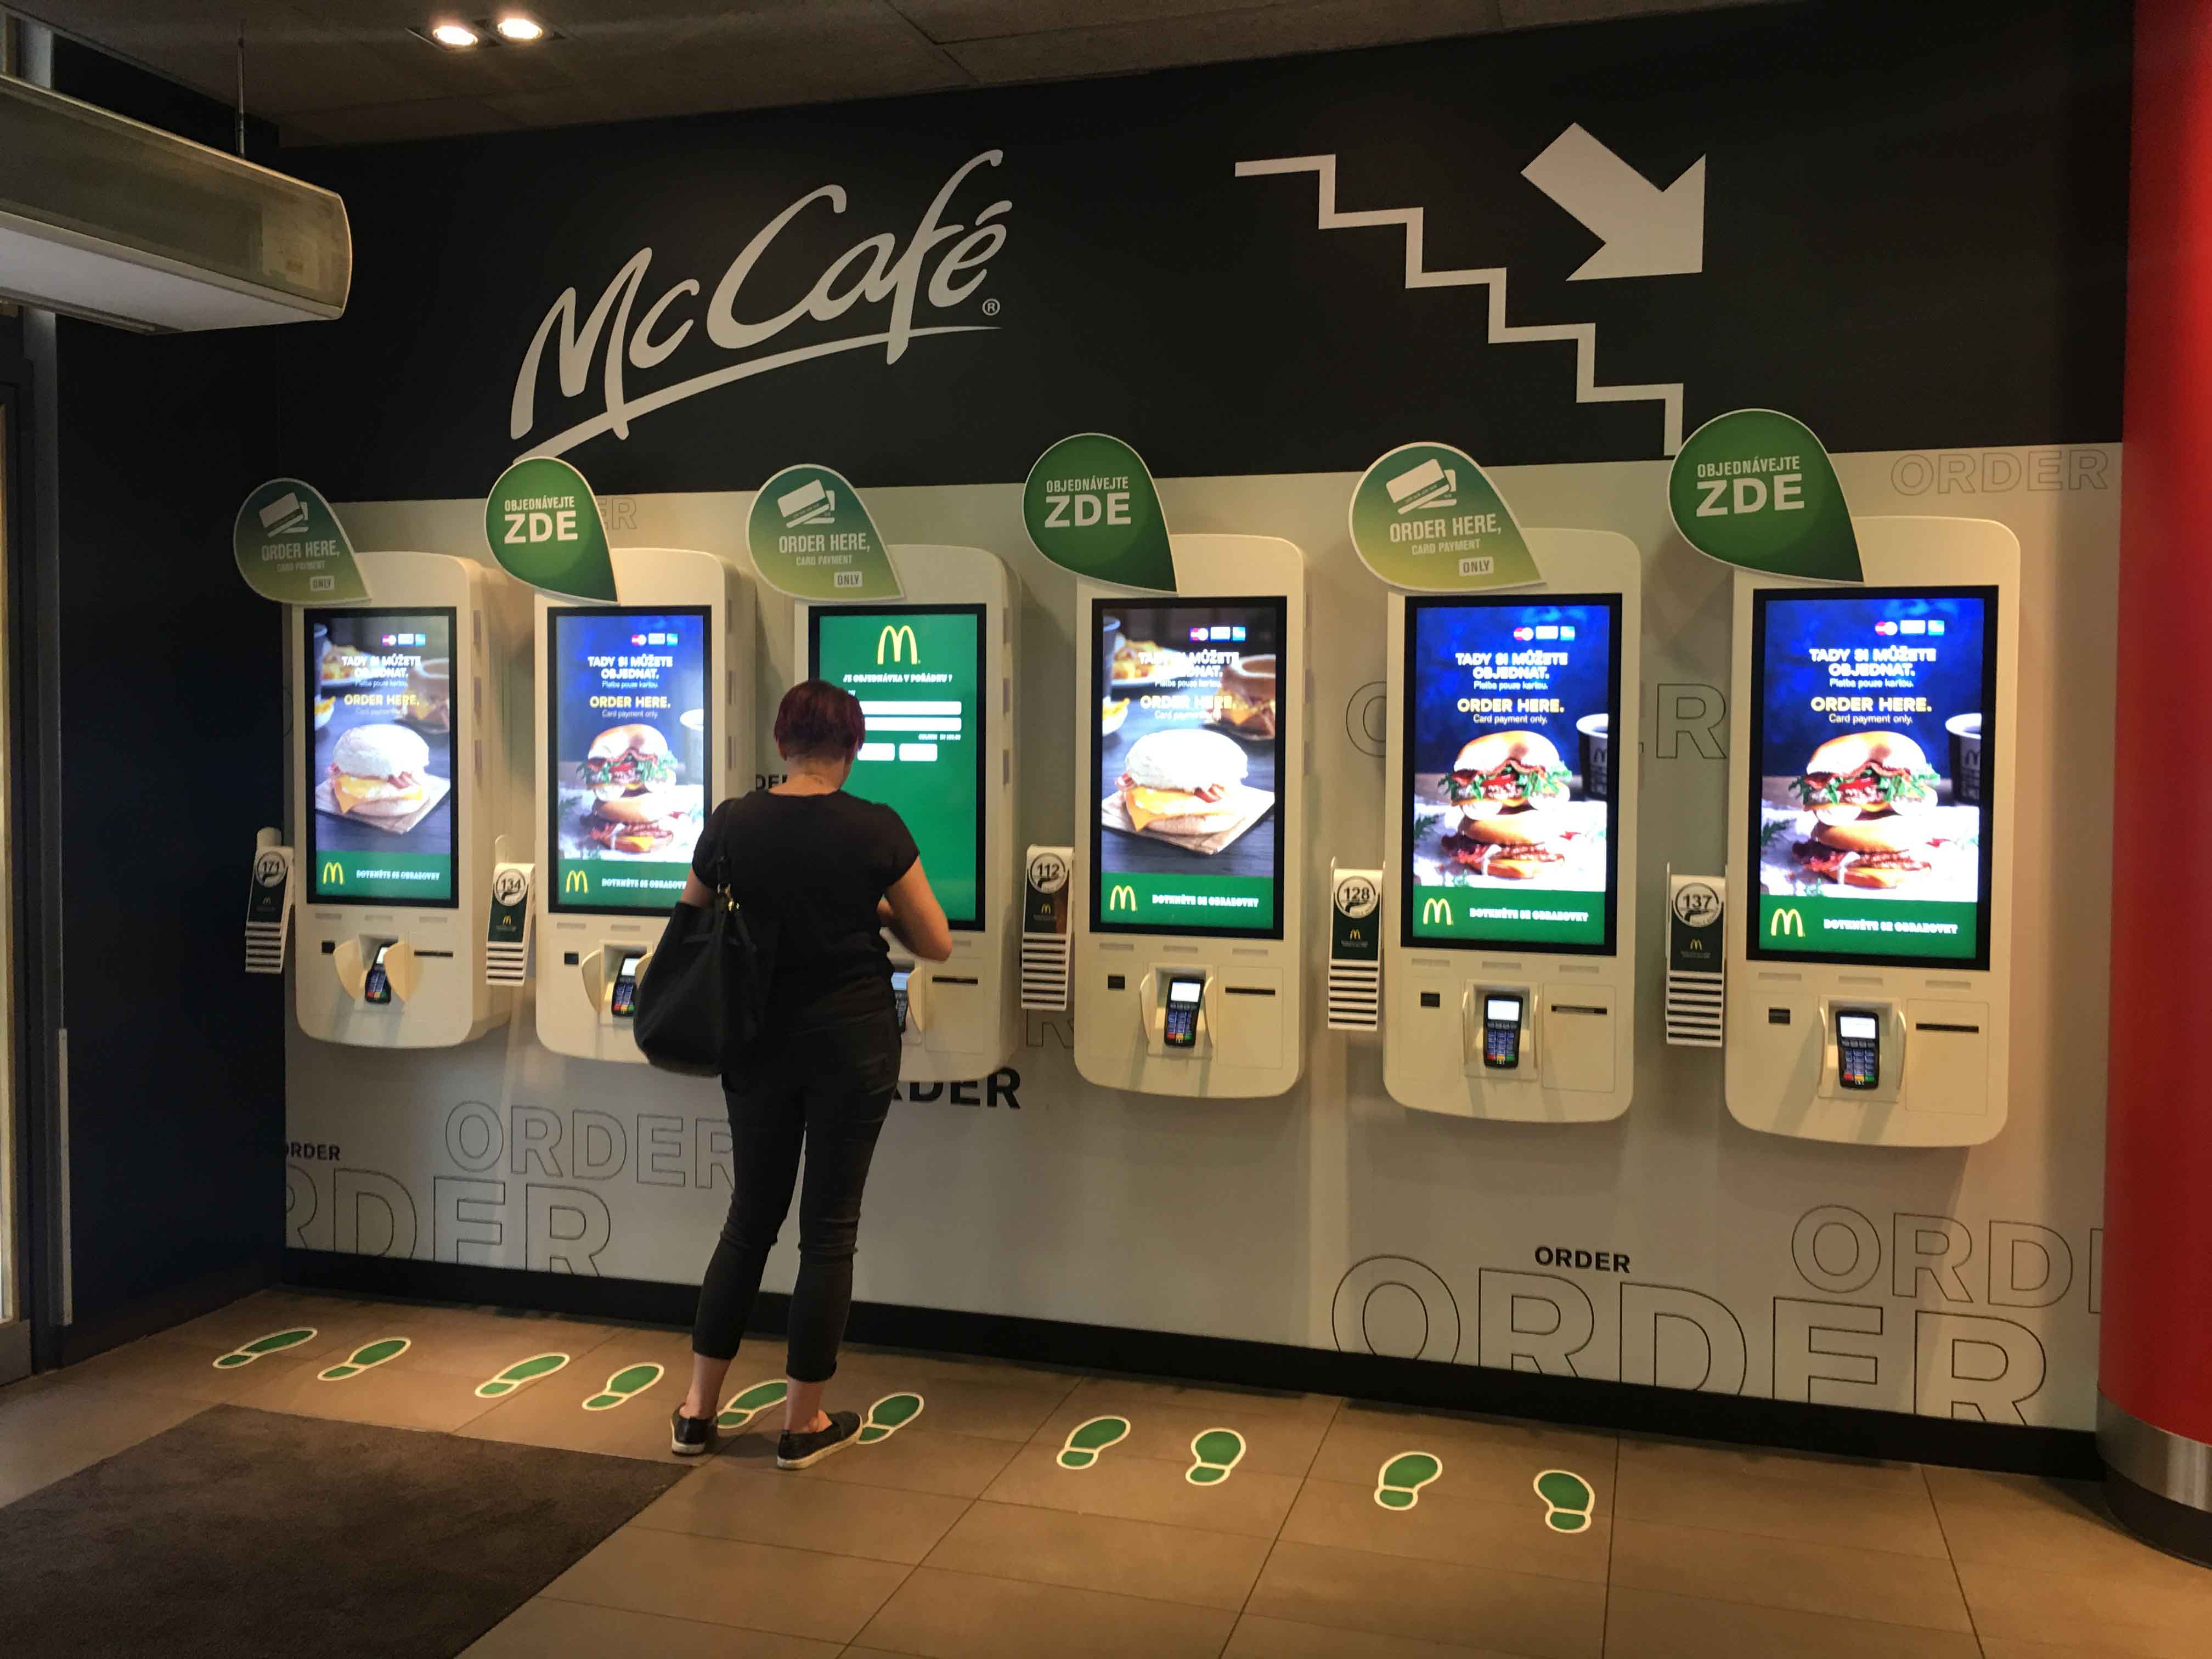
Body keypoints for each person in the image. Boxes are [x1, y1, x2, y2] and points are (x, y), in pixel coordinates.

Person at [670, 679, 951, 1467]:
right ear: (851, 747)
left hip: (755, 1041)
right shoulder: (874, 829)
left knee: (749, 1221)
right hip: (850, 1045)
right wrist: (876, 911)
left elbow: (691, 916)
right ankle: (802, 1424)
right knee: (827, 1232)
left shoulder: (732, 820)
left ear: (781, 741)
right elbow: (935, 942)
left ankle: (696, 1412)